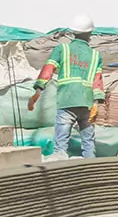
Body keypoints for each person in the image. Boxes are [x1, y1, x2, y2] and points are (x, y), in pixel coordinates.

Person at [28, 15, 105, 162]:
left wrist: (38, 90)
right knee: (88, 142)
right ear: (90, 34)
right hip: (87, 102)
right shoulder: (96, 55)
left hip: (67, 101)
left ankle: (61, 166)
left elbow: (48, 69)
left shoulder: (62, 49)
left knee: (61, 145)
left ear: (72, 32)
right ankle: (91, 167)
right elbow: (97, 81)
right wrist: (97, 103)